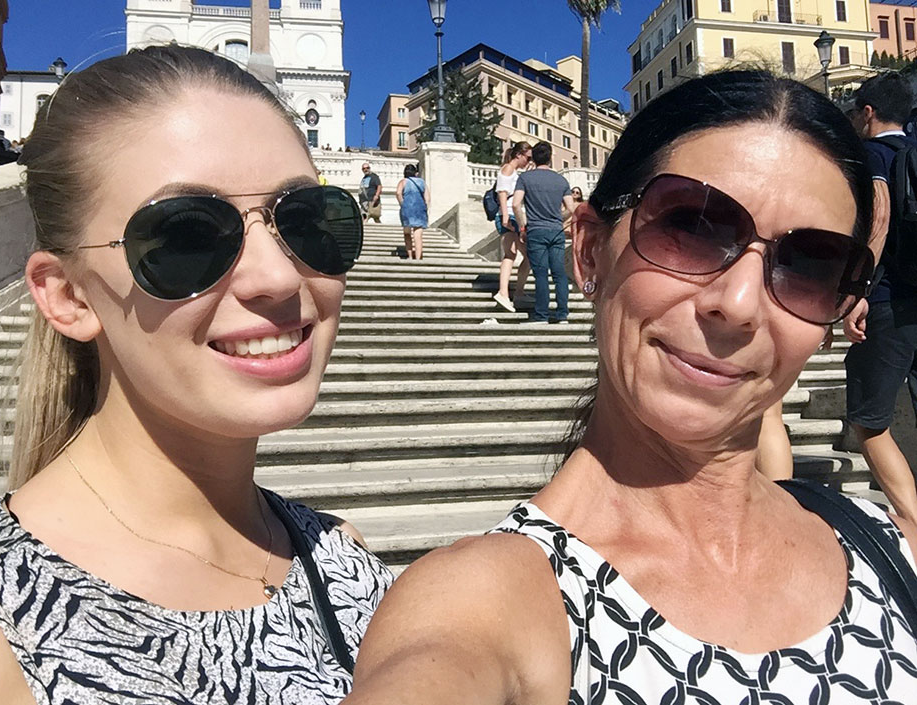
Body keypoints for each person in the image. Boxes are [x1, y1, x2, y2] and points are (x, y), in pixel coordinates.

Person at [343, 71, 917, 705]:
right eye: (693, 228)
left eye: (810, 264)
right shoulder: (487, 601)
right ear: (589, 251)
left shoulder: (892, 548)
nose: (741, 303)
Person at [0, 45, 391, 705]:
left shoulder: (340, 558)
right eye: (189, 237)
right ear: (67, 296)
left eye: (307, 221)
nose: (279, 276)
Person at [844, 72, 917, 523]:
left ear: (868, 113)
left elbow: (881, 215)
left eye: (854, 113)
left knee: (868, 421)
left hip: (890, 301)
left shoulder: (872, 152)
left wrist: (858, 290)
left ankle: (912, 523)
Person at [513, 141, 576, 324]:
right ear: (550, 157)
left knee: (540, 274)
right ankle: (562, 314)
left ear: (533, 157)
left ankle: (541, 314)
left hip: (536, 230)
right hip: (556, 230)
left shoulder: (525, 179)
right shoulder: (561, 180)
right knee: (559, 274)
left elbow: (516, 204)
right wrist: (558, 217)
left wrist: (523, 225)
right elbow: (571, 208)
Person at [492, 142, 532, 312]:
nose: (529, 160)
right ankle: (504, 292)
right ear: (519, 155)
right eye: (527, 157)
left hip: (512, 216)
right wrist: (505, 216)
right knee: (511, 253)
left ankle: (517, 291)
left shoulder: (513, 171)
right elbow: (502, 192)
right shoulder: (508, 168)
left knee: (526, 254)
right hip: (509, 215)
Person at [395, 163, 430, 260]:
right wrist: (425, 207)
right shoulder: (422, 182)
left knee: (407, 233)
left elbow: (398, 193)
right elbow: (427, 198)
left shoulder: (403, 182)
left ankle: (410, 256)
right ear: (415, 173)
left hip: (407, 208)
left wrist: (402, 203)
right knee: (418, 235)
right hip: (419, 209)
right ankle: (418, 258)